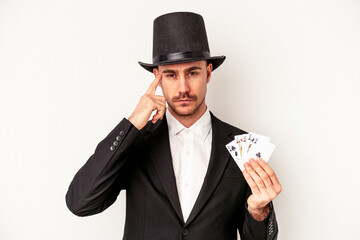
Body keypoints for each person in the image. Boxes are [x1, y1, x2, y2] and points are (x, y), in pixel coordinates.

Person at [66, 12, 281, 240]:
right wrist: (132, 123)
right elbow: (80, 203)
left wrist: (258, 211)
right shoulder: (136, 141)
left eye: (192, 73)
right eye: (171, 75)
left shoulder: (242, 144)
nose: (182, 88)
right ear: (157, 77)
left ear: (208, 73)